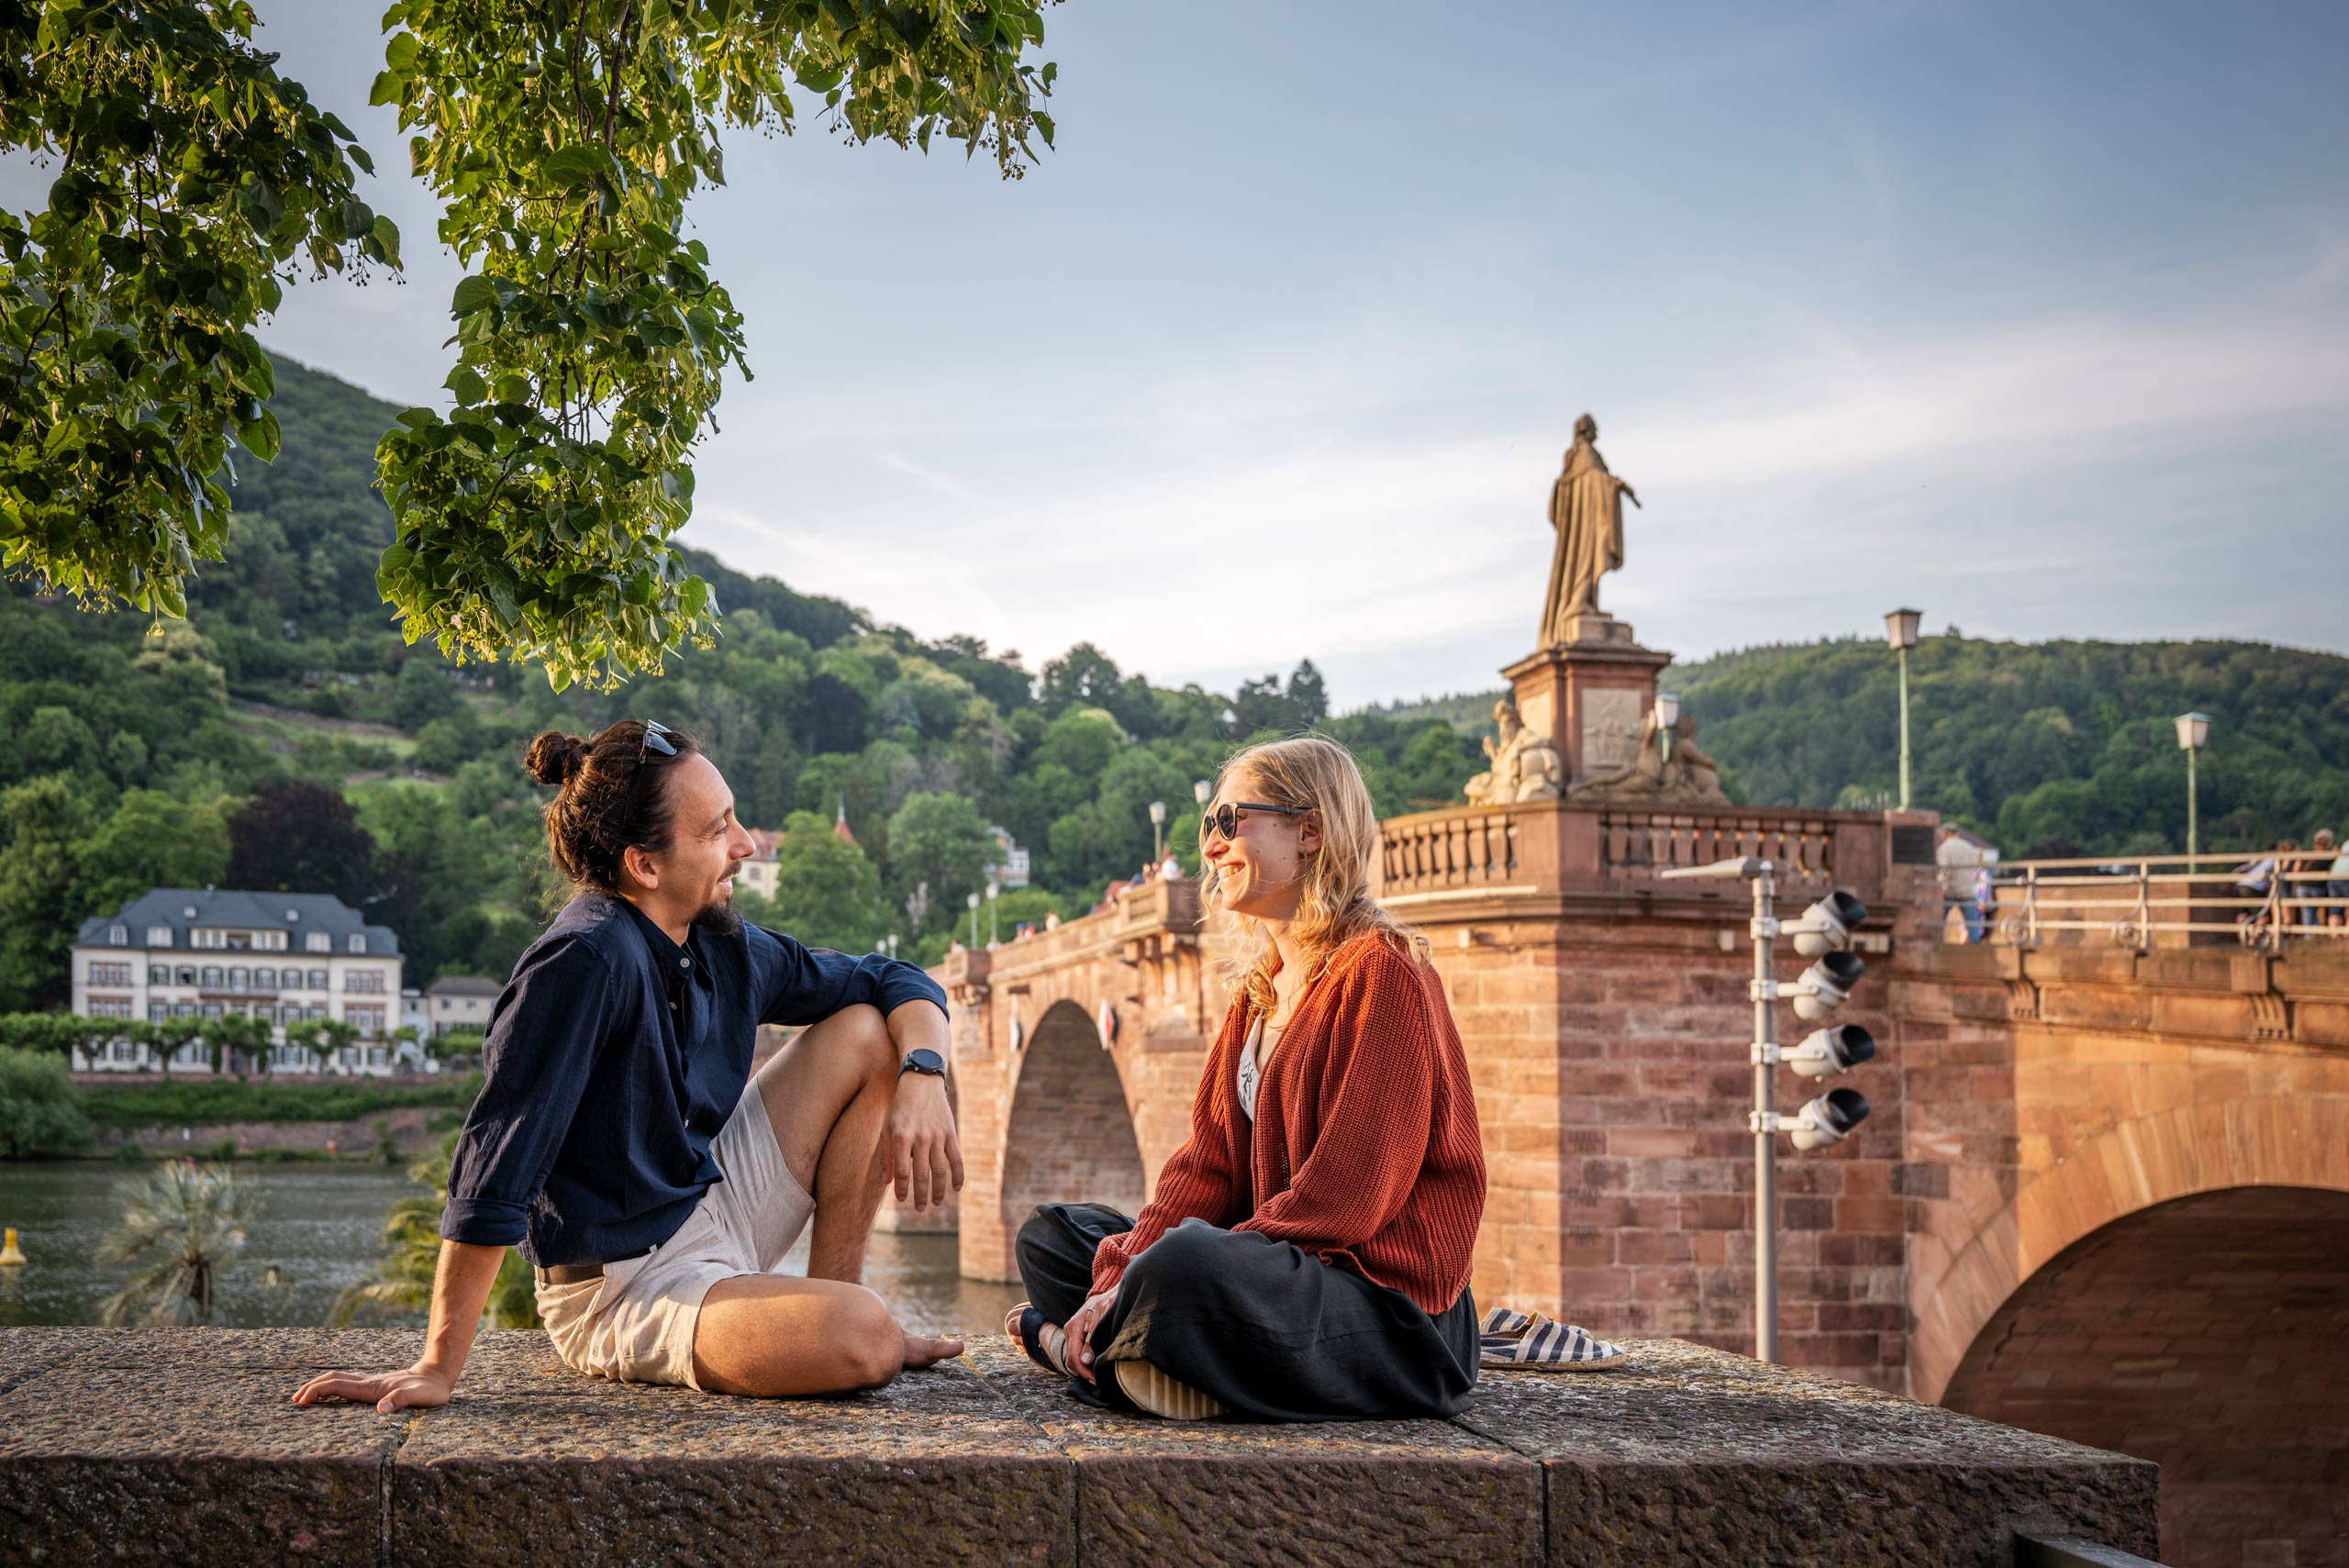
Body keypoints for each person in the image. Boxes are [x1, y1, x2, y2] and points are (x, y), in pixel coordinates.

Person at [292, 719, 965, 1413]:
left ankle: (833, 1301)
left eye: (735, 820)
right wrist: (437, 1365)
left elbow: (894, 978)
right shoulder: (582, 961)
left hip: (709, 1205)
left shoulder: (717, 937)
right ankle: (840, 1327)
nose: (743, 846)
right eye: (717, 831)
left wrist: (922, 1072)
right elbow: (493, 1170)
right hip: (622, 1287)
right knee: (868, 1340)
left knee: (868, 1032)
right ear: (644, 863)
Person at [1002, 736, 1486, 1421]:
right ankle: (1140, 1350)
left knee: (1183, 1265)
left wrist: (1156, 1268)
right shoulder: (1258, 994)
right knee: (1054, 1237)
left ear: (1310, 830)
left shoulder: (1383, 973)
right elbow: (1206, 1169)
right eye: (1209, 826)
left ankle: (1074, 1350)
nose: (1210, 846)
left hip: (1393, 1312)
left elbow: (1346, 1200)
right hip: (1283, 1267)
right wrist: (1114, 1277)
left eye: (1231, 821)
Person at [1937, 825, 1986, 943]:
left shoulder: (1944, 848)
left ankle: (1936, 942)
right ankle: (1975, 947)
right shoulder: (1969, 847)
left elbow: (1945, 871)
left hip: (1950, 891)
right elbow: (1980, 863)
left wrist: (1942, 888)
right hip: (1968, 890)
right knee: (1972, 924)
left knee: (1938, 920)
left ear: (1945, 834)